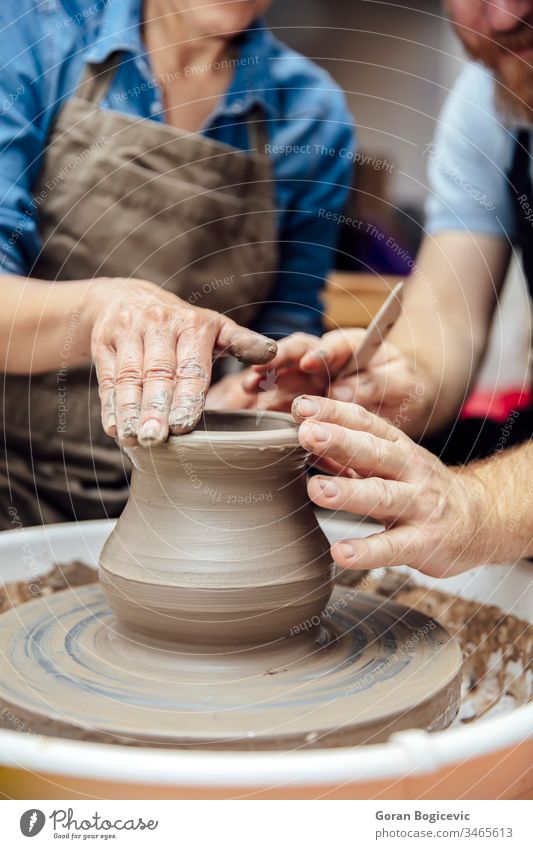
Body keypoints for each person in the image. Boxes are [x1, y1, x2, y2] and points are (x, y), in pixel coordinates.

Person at [0, 0, 353, 526]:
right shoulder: (37, 33)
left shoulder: (312, 114)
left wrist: (263, 390)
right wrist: (105, 308)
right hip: (13, 469)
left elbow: (286, 323)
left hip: (187, 489)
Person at [243, 0, 533, 575]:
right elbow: (448, 320)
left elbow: (482, 507)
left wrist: (483, 506)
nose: (502, 18)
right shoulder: (490, 99)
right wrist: (390, 387)